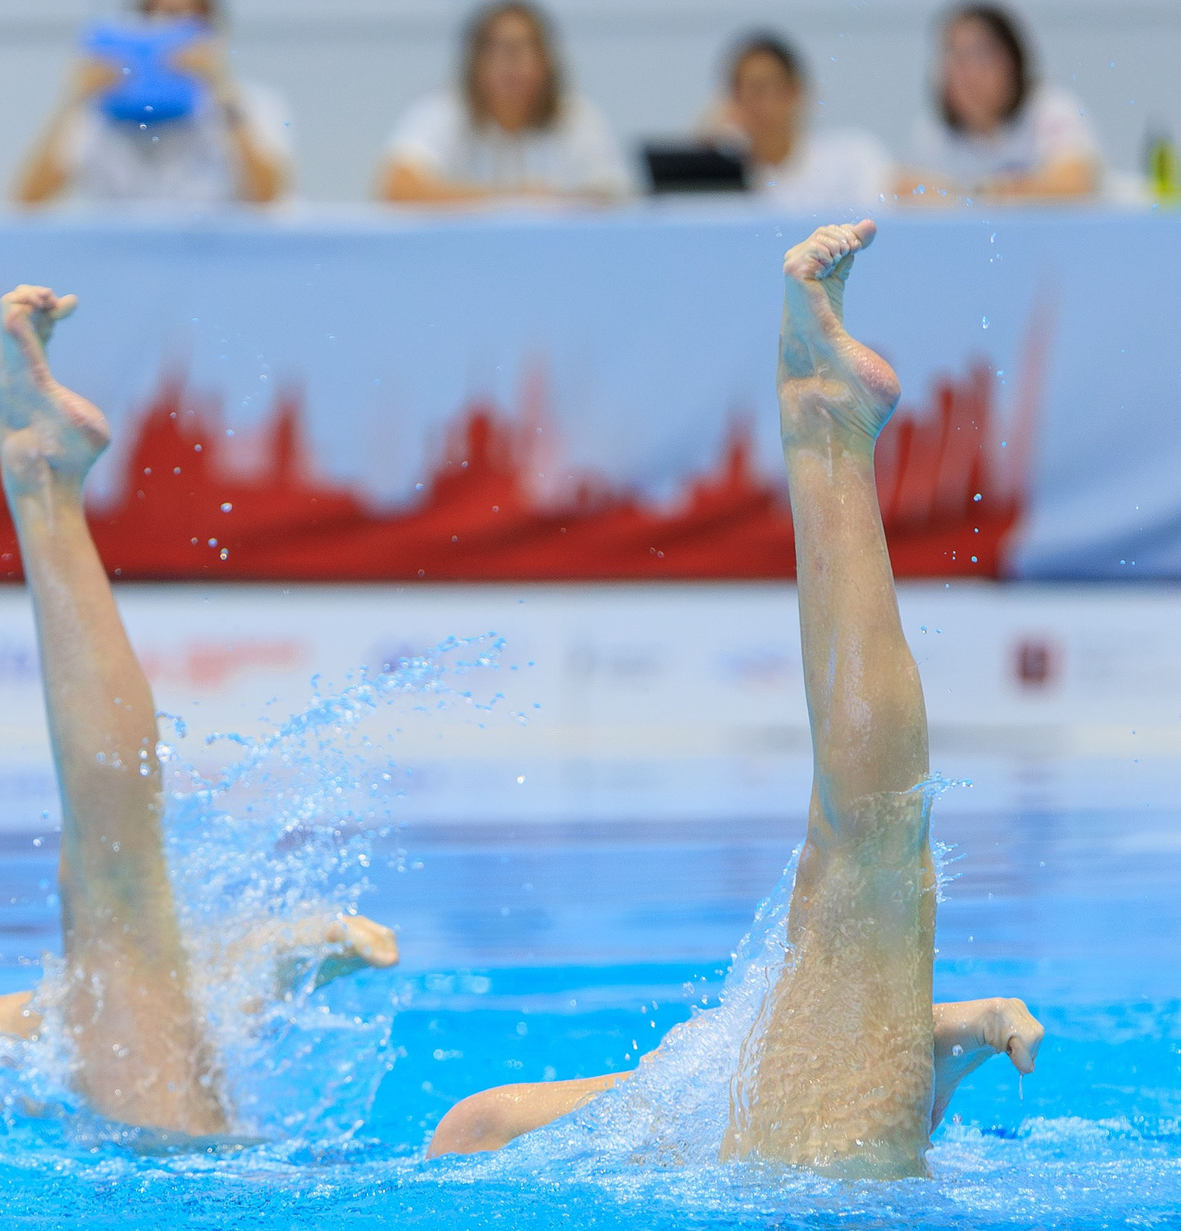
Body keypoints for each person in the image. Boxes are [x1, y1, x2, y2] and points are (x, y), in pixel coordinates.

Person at [430, 222, 1044, 1171]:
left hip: (758, 1159)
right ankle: (823, 431)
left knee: (859, 854)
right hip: (781, 1168)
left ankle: (825, 431)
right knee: (859, 853)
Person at [0, 285, 398, 1135]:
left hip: (186, 1184)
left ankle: (44, 486)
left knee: (98, 890)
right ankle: (200, 981)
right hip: (194, 1187)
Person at [14, 0, 291, 207]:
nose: (172, 31)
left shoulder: (251, 104)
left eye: (187, 21)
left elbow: (268, 198)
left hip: (214, 263)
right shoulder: (102, 110)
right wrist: (76, 98)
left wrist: (220, 89)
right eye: (160, 17)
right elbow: (29, 201)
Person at [378, 1, 633, 205]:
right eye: (498, 50)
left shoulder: (577, 117)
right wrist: (511, 200)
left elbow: (614, 198)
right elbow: (397, 188)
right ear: (475, 63)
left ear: (546, 62)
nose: (511, 65)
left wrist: (557, 204)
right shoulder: (442, 112)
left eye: (523, 49)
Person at [896, 4, 1099, 202]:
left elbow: (1074, 184)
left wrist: (977, 194)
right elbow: (904, 191)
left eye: (981, 56)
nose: (969, 74)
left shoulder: (1052, 111)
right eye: (957, 58)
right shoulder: (933, 132)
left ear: (1013, 62)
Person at [700, 31, 889, 210]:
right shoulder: (724, 177)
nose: (754, 104)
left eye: (761, 90)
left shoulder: (851, 159)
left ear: (795, 92)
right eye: (742, 93)